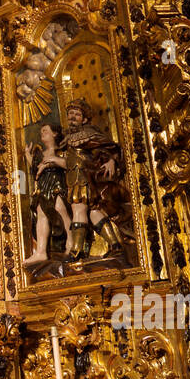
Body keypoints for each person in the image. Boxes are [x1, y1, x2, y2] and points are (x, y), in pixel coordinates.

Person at [58, 99, 124, 260]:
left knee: (78, 209)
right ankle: (116, 245)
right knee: (94, 212)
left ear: (85, 118)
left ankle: (77, 250)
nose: (73, 117)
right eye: (70, 114)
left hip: (84, 178)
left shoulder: (89, 133)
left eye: (77, 114)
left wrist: (112, 161)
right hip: (75, 177)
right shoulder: (68, 137)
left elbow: (110, 147)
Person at [24, 122, 72, 263]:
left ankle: (72, 242)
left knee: (60, 209)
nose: (42, 133)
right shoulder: (40, 154)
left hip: (58, 183)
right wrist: (28, 155)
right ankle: (41, 251)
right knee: (41, 214)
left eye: (45, 130)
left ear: (55, 133)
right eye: (41, 132)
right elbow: (35, 169)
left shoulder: (62, 150)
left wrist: (53, 159)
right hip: (44, 185)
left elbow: (70, 164)